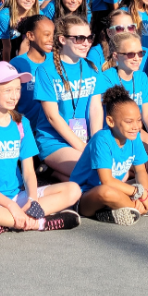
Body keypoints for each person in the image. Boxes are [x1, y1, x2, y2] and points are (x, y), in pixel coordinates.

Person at [0, 61, 83, 237]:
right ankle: (40, 223)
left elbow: (28, 172)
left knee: (73, 190)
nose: (14, 96)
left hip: (17, 196)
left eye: (17, 89)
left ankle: (5, 223)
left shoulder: (22, 124)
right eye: (7, 90)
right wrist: (11, 207)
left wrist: (32, 199)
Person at [75, 86, 148, 225]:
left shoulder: (134, 137)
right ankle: (145, 208)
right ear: (110, 121)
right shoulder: (101, 139)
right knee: (106, 192)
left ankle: (128, 207)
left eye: (139, 120)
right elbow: (107, 181)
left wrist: (143, 193)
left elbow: (140, 171)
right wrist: (140, 193)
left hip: (120, 190)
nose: (136, 126)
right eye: (129, 121)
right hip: (88, 196)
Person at [33, 15, 104, 182]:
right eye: (79, 38)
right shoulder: (46, 70)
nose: (86, 43)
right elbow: (52, 116)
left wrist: (95, 143)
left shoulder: (91, 67)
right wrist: (84, 149)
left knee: (111, 170)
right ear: (62, 39)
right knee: (96, 173)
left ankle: (52, 173)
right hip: (54, 140)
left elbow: (95, 109)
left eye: (89, 38)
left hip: (85, 138)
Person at [90, 31, 148, 166]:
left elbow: (147, 114)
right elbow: (97, 114)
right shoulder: (106, 78)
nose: (137, 58)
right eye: (130, 54)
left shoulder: (141, 77)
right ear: (116, 56)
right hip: (114, 133)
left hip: (135, 129)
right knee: (145, 162)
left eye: (140, 53)